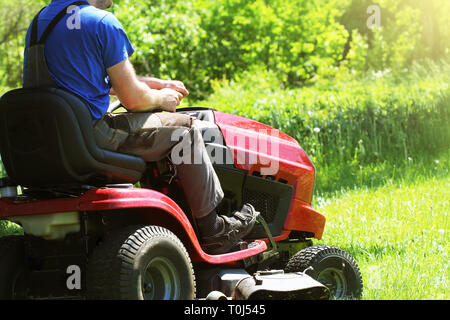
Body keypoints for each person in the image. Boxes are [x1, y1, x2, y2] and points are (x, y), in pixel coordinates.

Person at [22, 0, 258, 255]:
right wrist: (162, 98)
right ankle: (214, 231)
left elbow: (90, 80)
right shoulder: (102, 22)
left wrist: (159, 83)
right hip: (90, 136)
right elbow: (133, 100)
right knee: (186, 130)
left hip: (45, 143)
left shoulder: (41, 22)